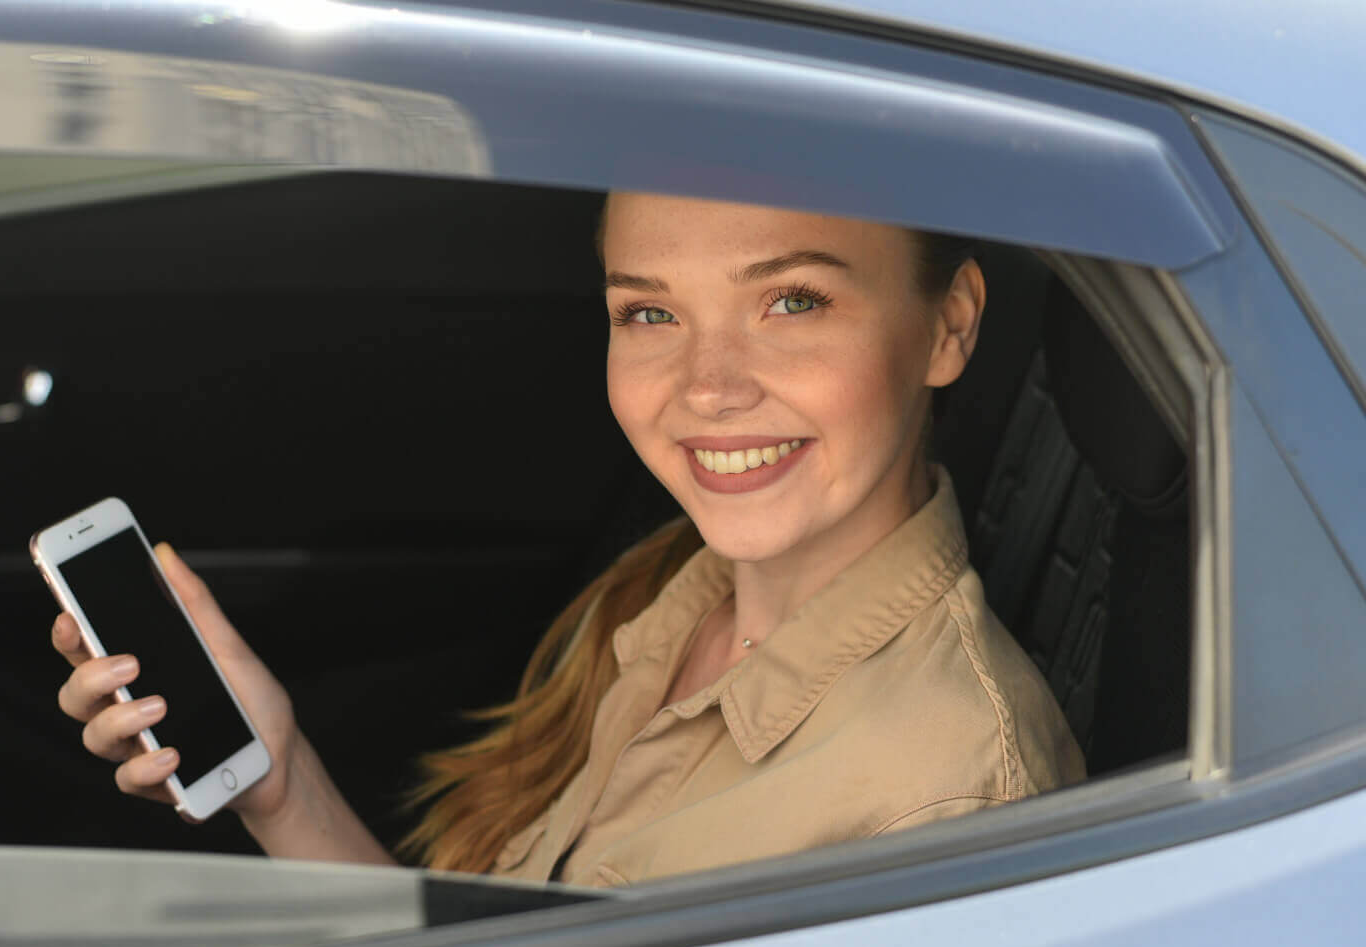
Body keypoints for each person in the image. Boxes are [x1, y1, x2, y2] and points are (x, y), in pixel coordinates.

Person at [53, 192, 1086, 887]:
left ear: (948, 324)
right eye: (648, 314)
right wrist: (283, 786)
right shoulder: (660, 596)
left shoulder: (946, 805)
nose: (708, 386)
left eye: (792, 300)